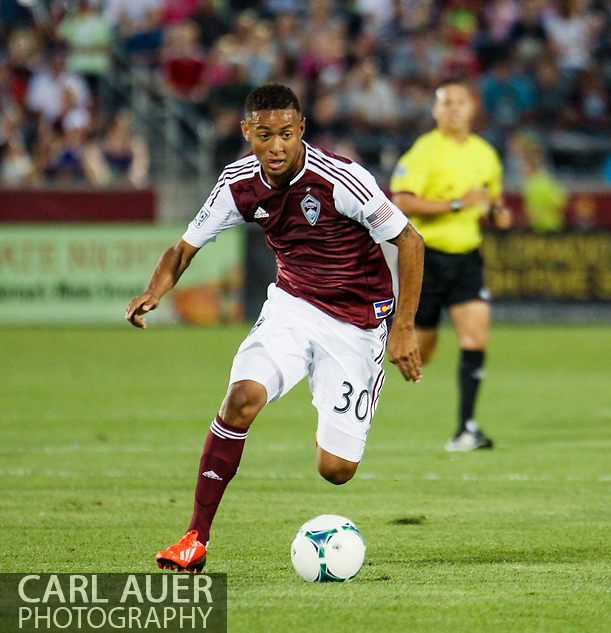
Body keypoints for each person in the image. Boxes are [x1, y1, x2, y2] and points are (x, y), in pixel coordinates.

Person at [125, 84, 424, 572]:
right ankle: (194, 538)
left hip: (358, 323)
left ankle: (334, 405)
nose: (277, 146)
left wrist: (403, 328)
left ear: (301, 129)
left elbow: (410, 242)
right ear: (248, 133)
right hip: (293, 307)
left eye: (286, 133)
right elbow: (183, 248)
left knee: (337, 470)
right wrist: (155, 290)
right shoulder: (237, 183)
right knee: (241, 398)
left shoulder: (343, 180)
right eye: (265, 135)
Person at [390, 79, 512, 452]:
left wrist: (497, 212)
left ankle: (466, 429)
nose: (455, 108)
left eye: (461, 101)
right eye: (447, 102)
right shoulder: (424, 152)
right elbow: (401, 200)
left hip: (466, 259)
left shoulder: (485, 153)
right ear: (436, 111)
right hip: (426, 261)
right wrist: (457, 204)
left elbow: (494, 202)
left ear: (472, 108)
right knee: (419, 353)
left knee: (475, 338)